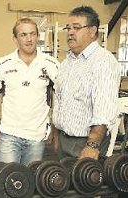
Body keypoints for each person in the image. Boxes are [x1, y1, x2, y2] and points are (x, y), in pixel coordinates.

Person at [0, 18, 59, 166]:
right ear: (15, 38)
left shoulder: (51, 64)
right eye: (23, 35)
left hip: (37, 137)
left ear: (38, 36)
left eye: (32, 34)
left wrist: (55, 130)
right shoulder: (3, 64)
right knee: (7, 182)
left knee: (30, 182)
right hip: (9, 135)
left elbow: (60, 99)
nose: (29, 39)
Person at [50, 6, 121, 160]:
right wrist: (56, 133)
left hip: (86, 143)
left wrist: (92, 146)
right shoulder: (67, 62)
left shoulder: (104, 62)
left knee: (85, 183)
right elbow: (59, 100)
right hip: (64, 140)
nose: (70, 32)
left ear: (92, 31)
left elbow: (104, 110)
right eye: (68, 28)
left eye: (76, 28)